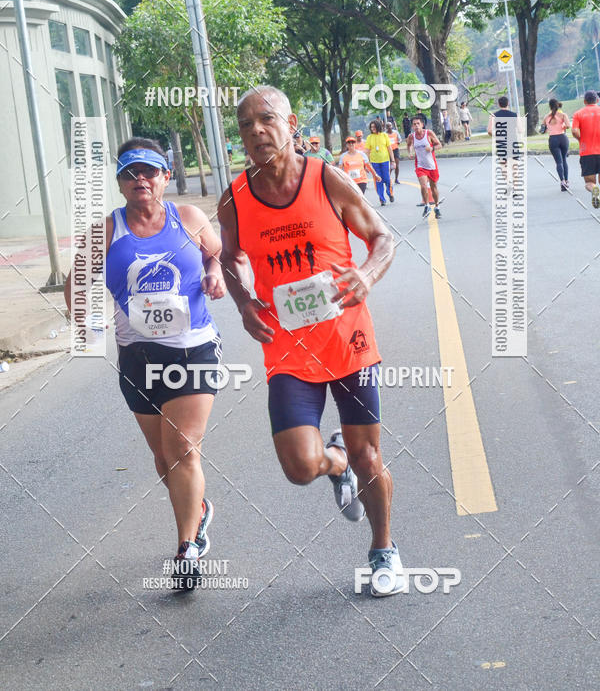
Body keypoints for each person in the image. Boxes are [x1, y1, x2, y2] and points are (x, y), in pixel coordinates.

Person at [218, 85, 404, 596]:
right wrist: (242, 301)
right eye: (245, 125)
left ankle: (383, 549)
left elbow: (383, 237)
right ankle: (334, 460)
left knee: (372, 458)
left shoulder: (328, 178)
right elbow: (228, 258)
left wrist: (366, 275)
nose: (256, 131)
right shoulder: (234, 198)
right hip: (287, 350)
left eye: (266, 119)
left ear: (291, 122)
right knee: (300, 466)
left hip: (349, 341)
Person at [64, 138, 226, 591]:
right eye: (131, 173)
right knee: (163, 457)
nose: (141, 179)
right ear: (119, 182)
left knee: (182, 449)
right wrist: (85, 326)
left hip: (192, 348)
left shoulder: (188, 218)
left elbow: (220, 252)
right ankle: (200, 509)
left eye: (150, 171)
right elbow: (77, 283)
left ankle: (187, 549)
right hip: (135, 356)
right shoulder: (105, 232)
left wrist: (213, 271)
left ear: (165, 177)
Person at [406, 115, 443, 219]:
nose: (416, 126)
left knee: (433, 187)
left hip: (431, 165)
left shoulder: (429, 133)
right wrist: (410, 153)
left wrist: (431, 148)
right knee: (423, 185)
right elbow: (408, 145)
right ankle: (427, 205)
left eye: (418, 124)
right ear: (412, 126)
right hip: (420, 165)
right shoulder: (411, 136)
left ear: (422, 124)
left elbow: (439, 145)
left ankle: (437, 207)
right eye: (414, 124)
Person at [572, 90, 600, 207]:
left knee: (589, 182)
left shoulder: (578, 114)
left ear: (584, 101)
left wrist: (580, 139)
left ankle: (594, 190)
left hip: (587, 152)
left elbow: (574, 130)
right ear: (597, 100)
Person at [542, 99, 570, 191]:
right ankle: (567, 180)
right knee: (564, 159)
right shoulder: (563, 115)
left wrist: (548, 129)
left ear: (549, 106)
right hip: (563, 138)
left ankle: (562, 182)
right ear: (558, 105)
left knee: (559, 162)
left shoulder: (546, 117)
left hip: (553, 139)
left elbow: (542, 130)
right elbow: (568, 125)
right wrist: (562, 126)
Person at [365, 119, 394, 206]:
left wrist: (393, 161)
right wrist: (366, 164)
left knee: (387, 179)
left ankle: (390, 194)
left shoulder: (384, 135)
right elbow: (367, 151)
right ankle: (382, 199)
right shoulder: (369, 137)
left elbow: (389, 149)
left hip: (385, 161)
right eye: (371, 127)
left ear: (378, 126)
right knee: (378, 181)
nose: (372, 128)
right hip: (374, 162)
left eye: (374, 127)